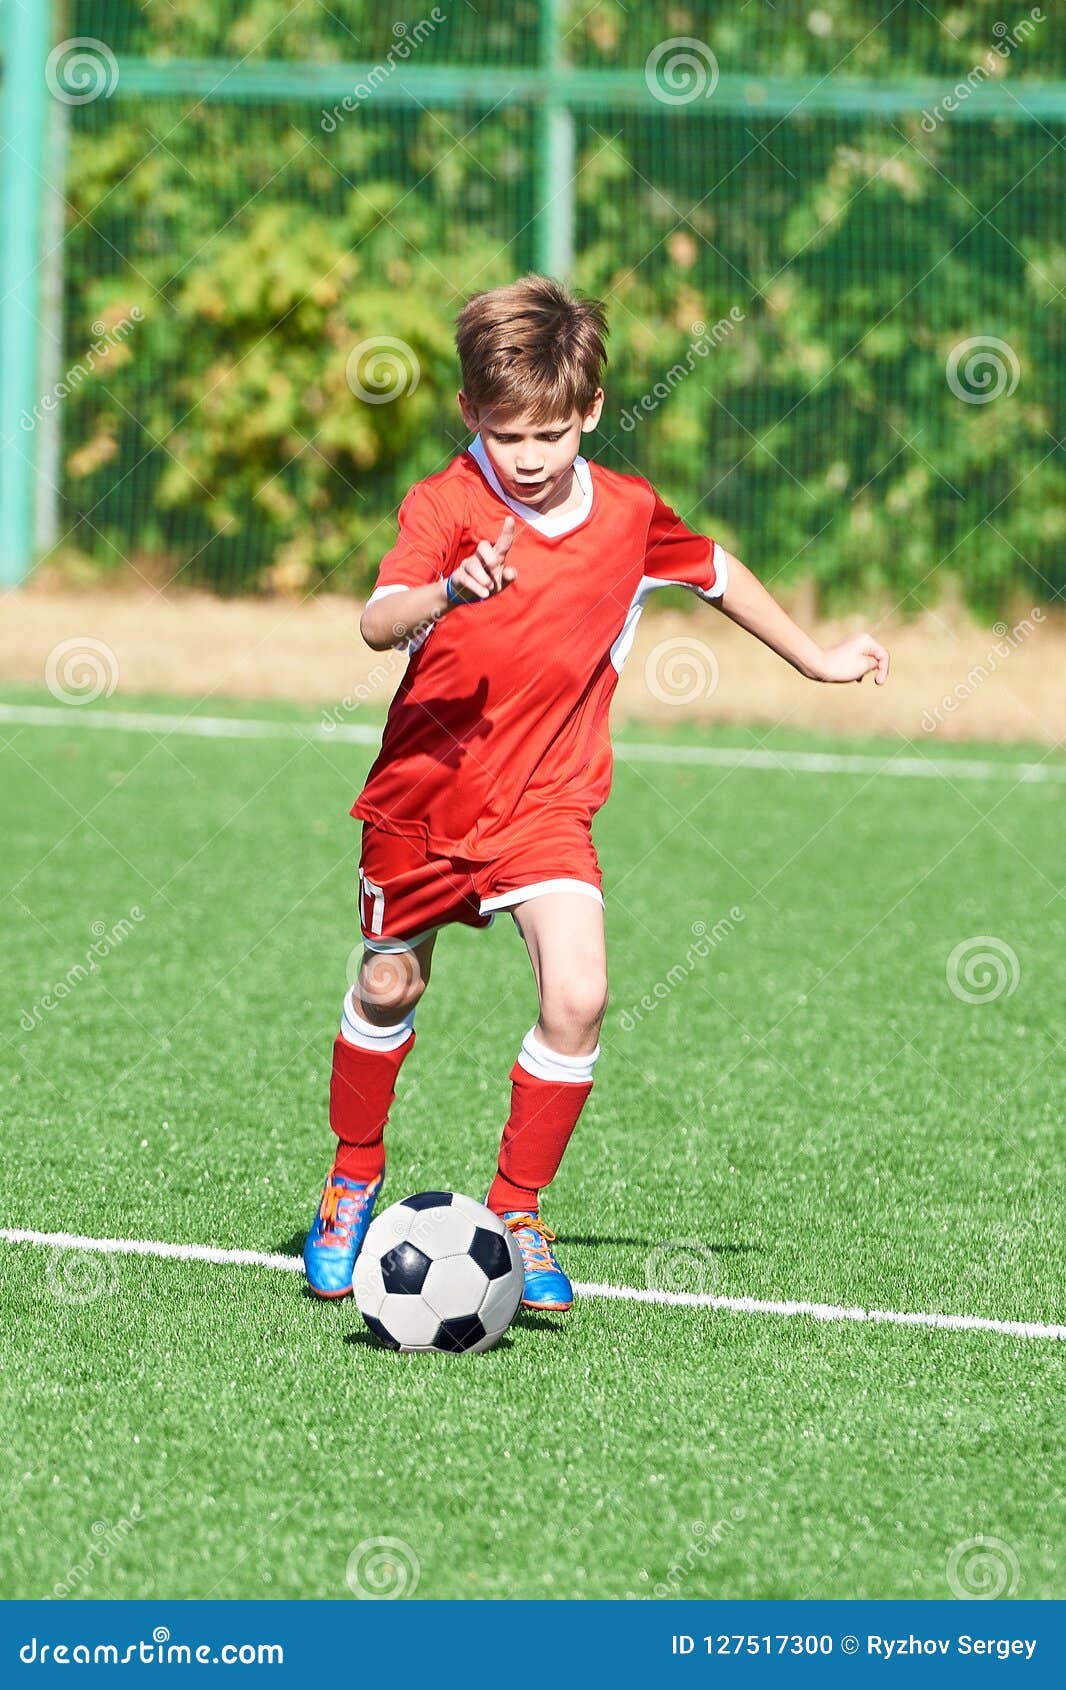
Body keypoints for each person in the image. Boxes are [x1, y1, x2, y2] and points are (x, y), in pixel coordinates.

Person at [304, 274, 889, 1311]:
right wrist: (447, 590)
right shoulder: (445, 504)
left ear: (589, 414)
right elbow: (375, 619)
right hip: (423, 801)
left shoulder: (625, 514)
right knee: (391, 986)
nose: (527, 459)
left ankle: (517, 1209)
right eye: (504, 433)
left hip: (546, 802)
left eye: (549, 435)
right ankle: (352, 1177)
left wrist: (816, 660)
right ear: (469, 415)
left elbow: (715, 569)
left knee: (578, 995)